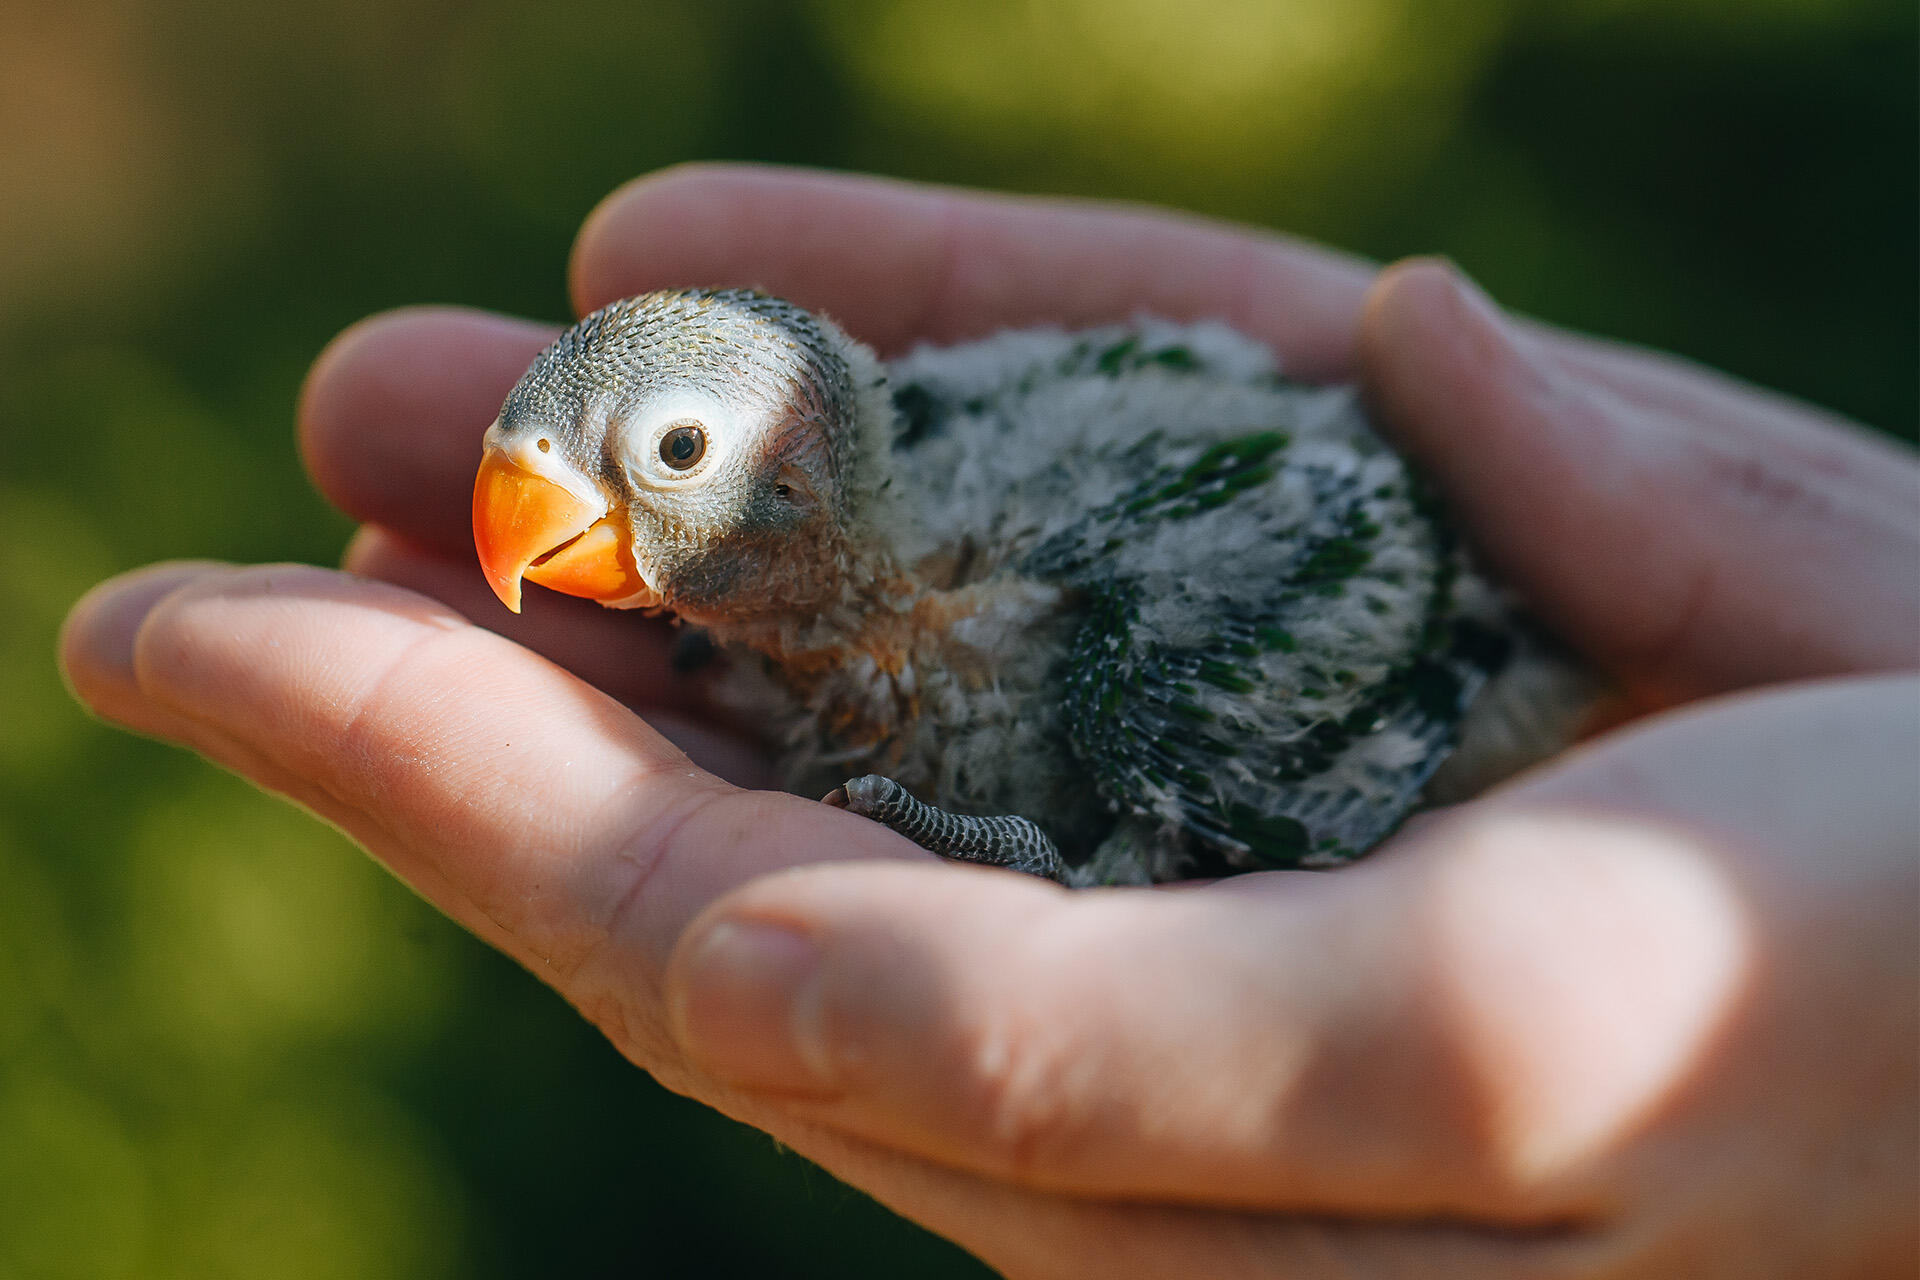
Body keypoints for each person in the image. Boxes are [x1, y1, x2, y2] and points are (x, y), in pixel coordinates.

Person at [61, 165, 1918, 1278]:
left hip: (1405, 614)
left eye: (671, 455)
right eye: (549, 466)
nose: (553, 513)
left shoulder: (1130, 649)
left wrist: (1091, 854)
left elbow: (1301, 584)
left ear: (806, 468)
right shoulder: (826, 585)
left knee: (1169, 738)